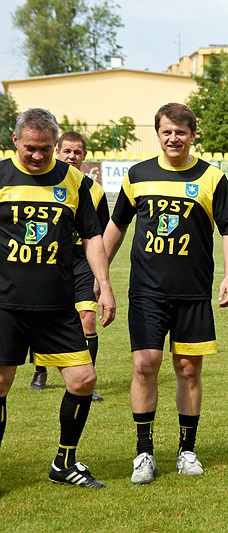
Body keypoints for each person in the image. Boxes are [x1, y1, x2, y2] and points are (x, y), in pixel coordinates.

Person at [103, 103, 228, 484]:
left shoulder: (212, 178)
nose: (173, 138)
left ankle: (187, 450)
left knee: (188, 370)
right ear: (158, 133)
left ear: (193, 135)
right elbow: (116, 226)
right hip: (146, 292)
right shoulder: (138, 175)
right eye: (167, 131)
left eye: (181, 132)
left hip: (193, 293)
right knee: (144, 365)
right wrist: (101, 276)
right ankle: (143, 453)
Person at [0, 108, 115, 488]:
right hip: (6, 304)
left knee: (83, 380)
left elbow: (93, 236)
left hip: (56, 304)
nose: (37, 155)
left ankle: (64, 463)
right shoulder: (1, 176)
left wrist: (104, 284)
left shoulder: (73, 180)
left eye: (45, 149)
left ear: (55, 144)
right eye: (30, 148)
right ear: (15, 141)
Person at [30, 131, 109, 402]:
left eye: (77, 152)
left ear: (84, 156)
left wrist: (102, 276)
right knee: (41, 317)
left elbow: (100, 234)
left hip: (82, 262)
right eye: (67, 151)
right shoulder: (43, 183)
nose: (72, 156)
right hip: (52, 261)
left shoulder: (94, 190)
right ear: (57, 151)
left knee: (88, 319)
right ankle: (40, 370)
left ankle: (87, 379)